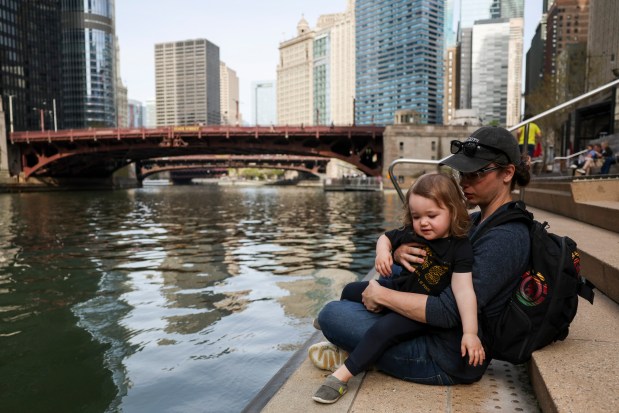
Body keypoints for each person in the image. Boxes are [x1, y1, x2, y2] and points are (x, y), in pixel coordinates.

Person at [308, 126, 531, 400]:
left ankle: (353, 357)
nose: (464, 182)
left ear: (507, 173)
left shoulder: (506, 237)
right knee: (361, 291)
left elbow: (449, 311)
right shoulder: (476, 221)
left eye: (476, 174)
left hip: (445, 356)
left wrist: (383, 295)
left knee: (333, 314)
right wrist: (399, 251)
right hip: (434, 328)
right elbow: (427, 253)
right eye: (463, 174)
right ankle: (362, 346)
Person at [310, 173, 485, 404]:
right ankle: (342, 333)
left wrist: (470, 333)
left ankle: (340, 378)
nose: (423, 222)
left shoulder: (460, 248)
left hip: (418, 315)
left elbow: (464, 292)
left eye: (432, 215)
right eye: (416, 216)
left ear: (453, 211)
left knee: (383, 331)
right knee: (351, 289)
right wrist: (384, 252)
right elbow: (385, 237)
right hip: (401, 287)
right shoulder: (414, 233)